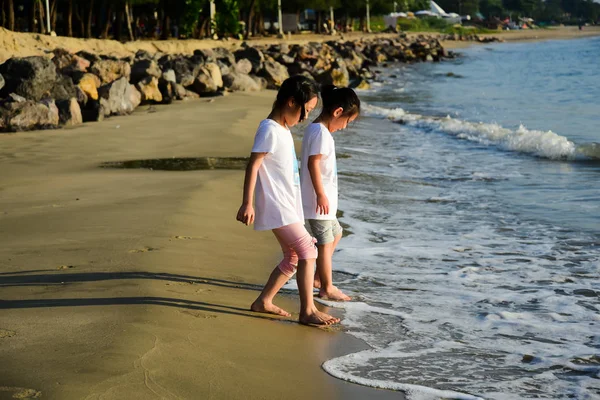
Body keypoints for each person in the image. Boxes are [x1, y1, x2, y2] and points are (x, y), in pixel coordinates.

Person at [236, 76, 340, 326]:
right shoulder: (269, 129)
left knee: (293, 257)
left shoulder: (282, 130)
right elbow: (254, 163)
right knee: (308, 250)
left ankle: (264, 301)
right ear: (291, 102)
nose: (305, 118)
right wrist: (247, 202)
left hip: (287, 206)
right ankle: (307, 311)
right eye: (306, 110)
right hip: (276, 206)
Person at [301, 85, 360, 301]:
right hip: (317, 203)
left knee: (336, 234)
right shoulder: (320, 133)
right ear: (337, 112)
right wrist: (320, 194)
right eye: (346, 121)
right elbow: (313, 164)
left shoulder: (317, 130)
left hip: (321, 203)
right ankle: (327, 287)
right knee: (325, 244)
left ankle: (318, 277)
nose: (344, 127)